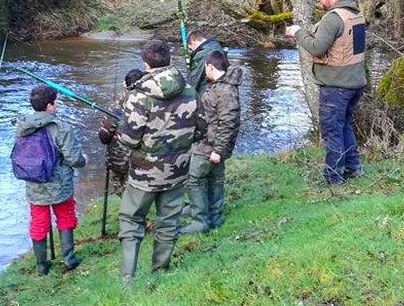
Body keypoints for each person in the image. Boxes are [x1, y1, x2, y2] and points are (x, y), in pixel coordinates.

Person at [98, 40, 200, 283]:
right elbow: (201, 129)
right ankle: (160, 271)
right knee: (169, 222)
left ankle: (127, 278)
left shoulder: (138, 96)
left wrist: (117, 132)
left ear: (145, 64)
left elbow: (130, 140)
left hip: (144, 175)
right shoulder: (190, 90)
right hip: (178, 170)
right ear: (169, 59)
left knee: (131, 220)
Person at [285, 0, 369, 185]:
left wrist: (297, 33)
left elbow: (317, 48)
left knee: (332, 130)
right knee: (344, 126)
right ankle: (354, 168)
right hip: (355, 83)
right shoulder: (355, 13)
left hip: (336, 85)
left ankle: (333, 178)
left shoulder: (333, 18)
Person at [13, 85, 86, 274]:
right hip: (59, 184)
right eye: (56, 101)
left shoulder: (22, 127)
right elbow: (75, 159)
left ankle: (41, 265)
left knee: (38, 221)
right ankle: (69, 258)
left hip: (34, 183)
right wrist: (83, 159)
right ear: (50, 106)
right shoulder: (61, 127)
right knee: (65, 215)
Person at [181, 50, 243, 234]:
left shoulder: (225, 90)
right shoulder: (220, 85)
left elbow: (228, 122)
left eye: (205, 68)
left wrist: (218, 150)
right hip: (211, 143)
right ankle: (213, 216)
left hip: (209, 145)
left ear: (210, 67)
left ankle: (200, 220)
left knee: (193, 180)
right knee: (214, 179)